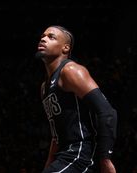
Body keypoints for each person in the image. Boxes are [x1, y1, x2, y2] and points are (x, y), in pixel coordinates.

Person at [36, 25, 118, 173]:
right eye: (42, 36)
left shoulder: (71, 71)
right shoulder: (44, 87)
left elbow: (107, 112)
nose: (43, 39)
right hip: (64, 155)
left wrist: (105, 159)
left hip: (82, 154)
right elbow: (56, 134)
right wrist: (49, 163)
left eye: (51, 37)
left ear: (65, 48)